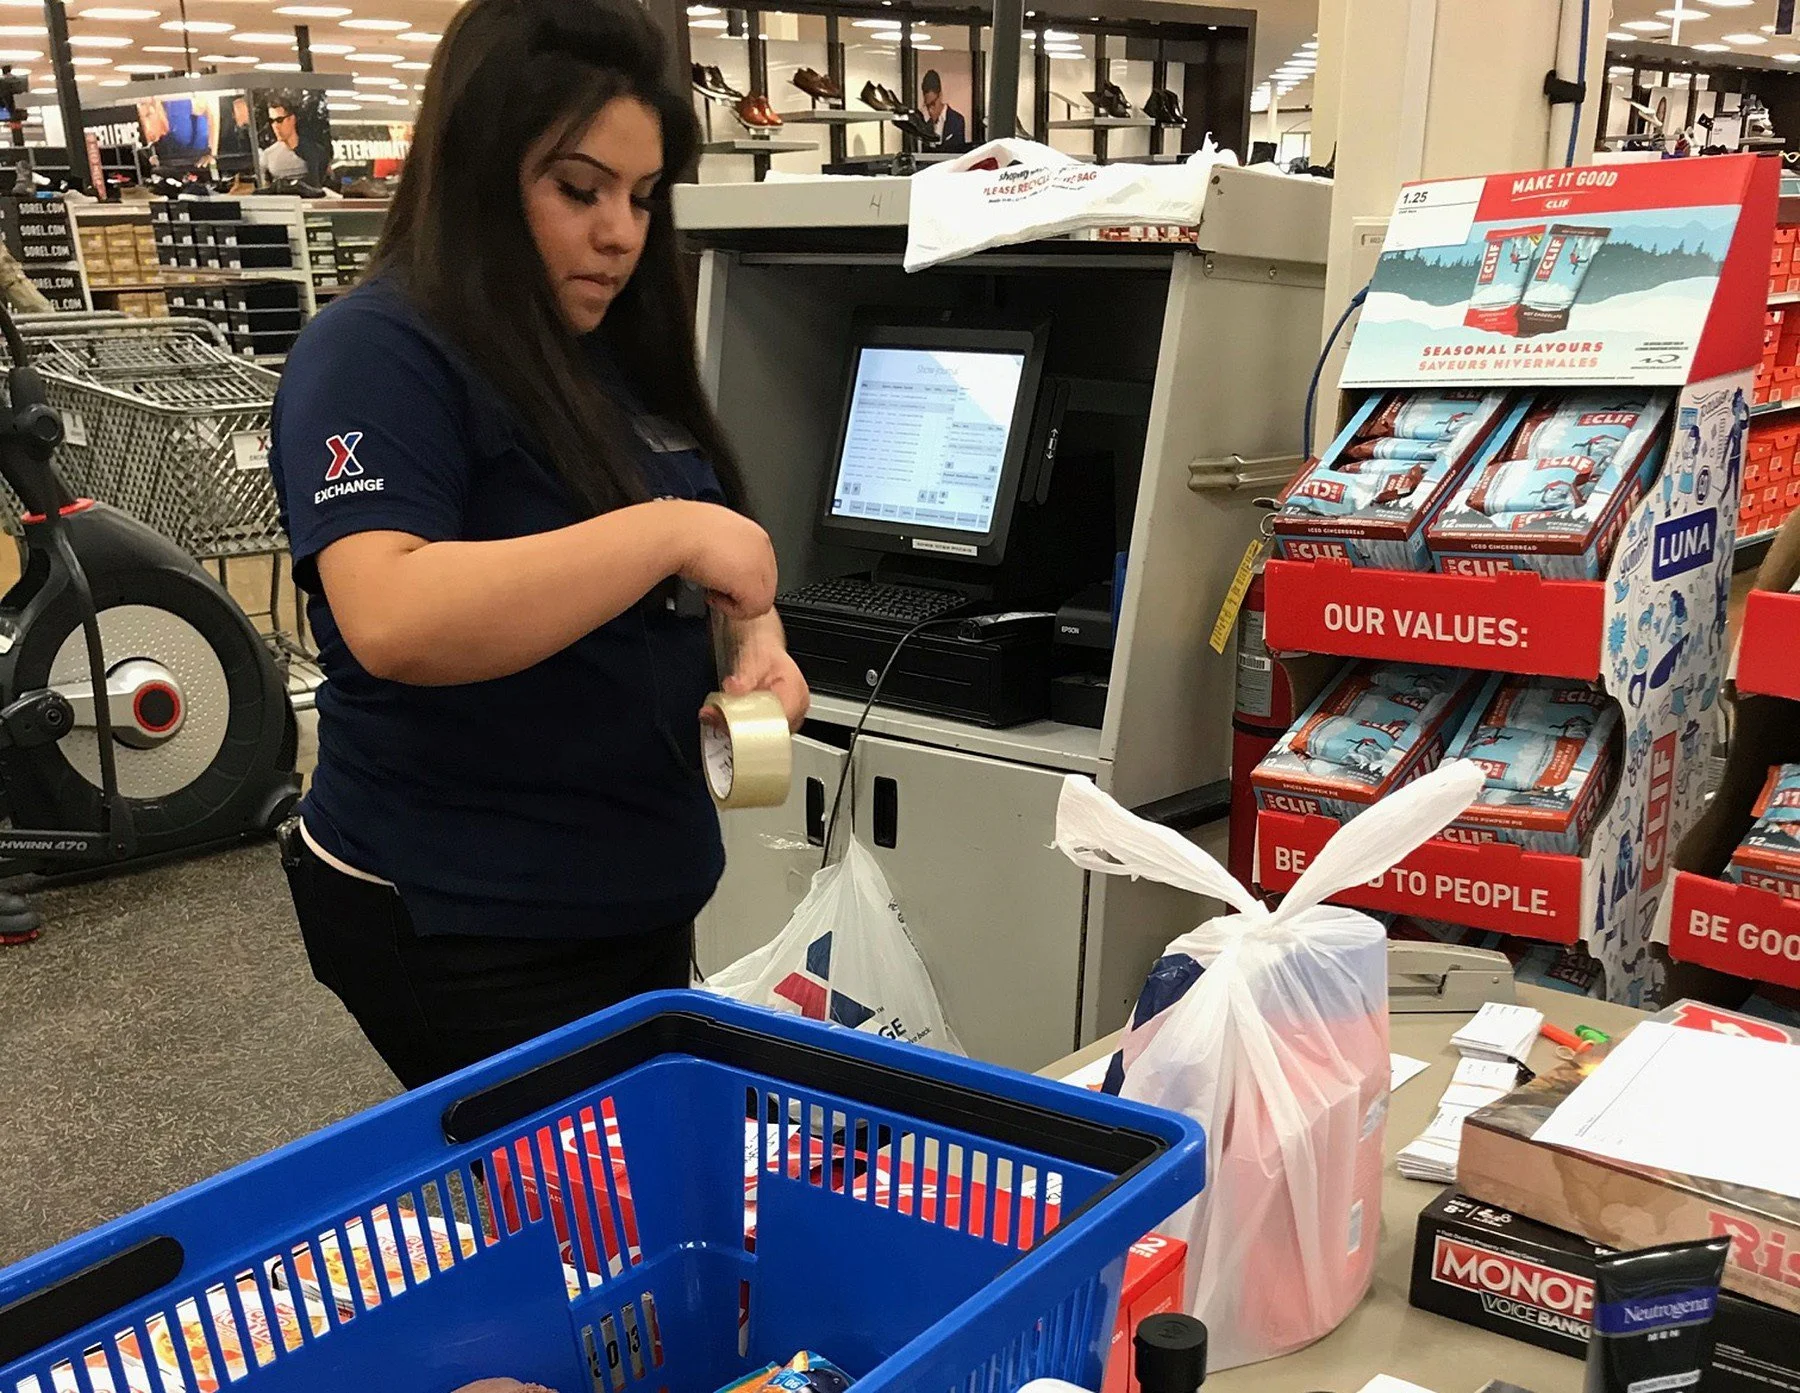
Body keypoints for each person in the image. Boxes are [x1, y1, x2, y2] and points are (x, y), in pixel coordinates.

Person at [267, 0, 808, 1089]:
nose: (621, 234)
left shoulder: (604, 348)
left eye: (642, 197)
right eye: (578, 189)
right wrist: (671, 533)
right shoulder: (376, 353)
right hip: (473, 921)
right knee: (579, 1191)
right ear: (480, 171)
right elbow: (394, 615)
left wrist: (755, 645)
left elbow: (684, 564)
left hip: (627, 901)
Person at [259, 96, 308, 183]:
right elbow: (263, 186)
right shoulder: (268, 155)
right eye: (271, 121)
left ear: (292, 119)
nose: (275, 126)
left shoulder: (313, 151)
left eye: (279, 120)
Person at [920, 69, 967, 151]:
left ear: (940, 95)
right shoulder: (923, 122)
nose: (930, 111)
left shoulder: (957, 120)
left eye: (933, 104)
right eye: (927, 106)